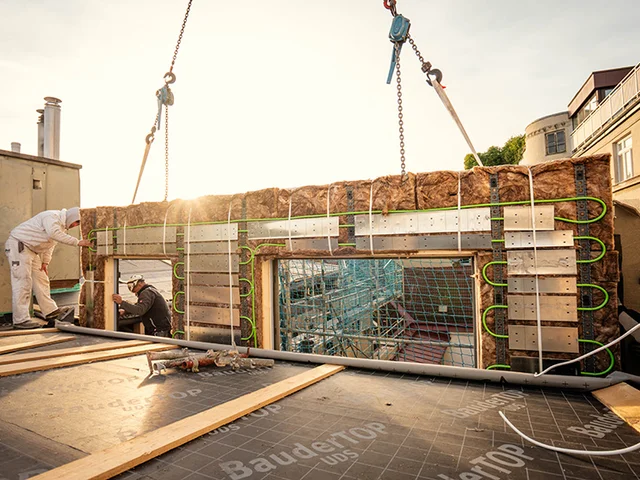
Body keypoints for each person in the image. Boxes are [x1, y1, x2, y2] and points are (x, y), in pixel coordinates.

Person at [4, 207, 91, 329]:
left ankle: (50, 311)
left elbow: (50, 244)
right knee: (23, 282)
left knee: (42, 279)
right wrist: (78, 242)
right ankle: (20, 320)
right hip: (19, 246)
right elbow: (53, 234)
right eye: (77, 222)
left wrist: (45, 262)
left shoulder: (60, 226)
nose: (76, 225)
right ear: (71, 217)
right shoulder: (51, 217)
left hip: (31, 250)